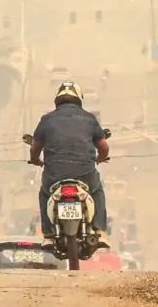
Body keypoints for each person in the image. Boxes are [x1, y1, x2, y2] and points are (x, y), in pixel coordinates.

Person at [29, 82, 110, 237]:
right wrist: (101, 158)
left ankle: (48, 233)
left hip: (54, 175)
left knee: (45, 194)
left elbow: (34, 148)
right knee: (97, 191)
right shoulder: (90, 118)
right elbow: (104, 147)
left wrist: (35, 160)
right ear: (78, 99)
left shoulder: (46, 119)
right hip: (85, 174)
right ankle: (99, 229)